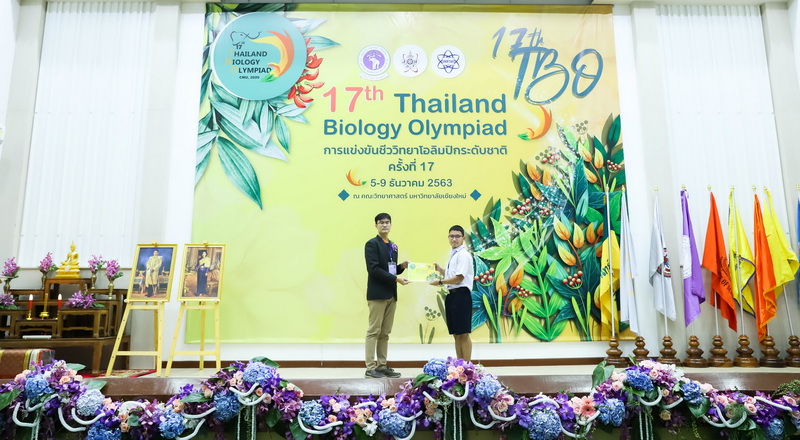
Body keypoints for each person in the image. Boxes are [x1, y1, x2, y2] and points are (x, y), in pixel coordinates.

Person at [364, 213, 409, 378]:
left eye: (387, 222)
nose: (384, 225)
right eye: (381, 222)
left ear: (391, 225)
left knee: (385, 333)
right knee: (373, 331)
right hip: (377, 294)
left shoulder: (393, 246)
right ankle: (370, 367)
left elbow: (390, 269)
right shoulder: (371, 244)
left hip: (391, 294)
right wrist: (396, 278)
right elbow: (374, 269)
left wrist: (401, 267)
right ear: (376, 225)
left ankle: (382, 366)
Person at [430, 225, 474, 361]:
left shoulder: (463, 255)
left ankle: (467, 366)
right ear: (448, 237)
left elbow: (459, 278)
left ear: (463, 238)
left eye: (457, 236)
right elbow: (452, 275)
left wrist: (440, 282)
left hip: (461, 296)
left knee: (463, 333)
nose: (454, 239)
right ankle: (459, 364)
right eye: (451, 236)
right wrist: (440, 270)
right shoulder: (454, 255)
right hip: (452, 296)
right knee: (456, 333)